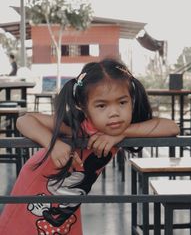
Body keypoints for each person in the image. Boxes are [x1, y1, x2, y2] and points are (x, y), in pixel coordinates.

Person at [0, 58, 179, 235]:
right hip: (34, 192)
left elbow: (172, 127)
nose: (114, 113)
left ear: (131, 100)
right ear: (83, 108)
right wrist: (53, 145)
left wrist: (122, 133)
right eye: (101, 105)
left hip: (67, 203)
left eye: (122, 102)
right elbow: (24, 121)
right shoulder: (77, 126)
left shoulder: (119, 128)